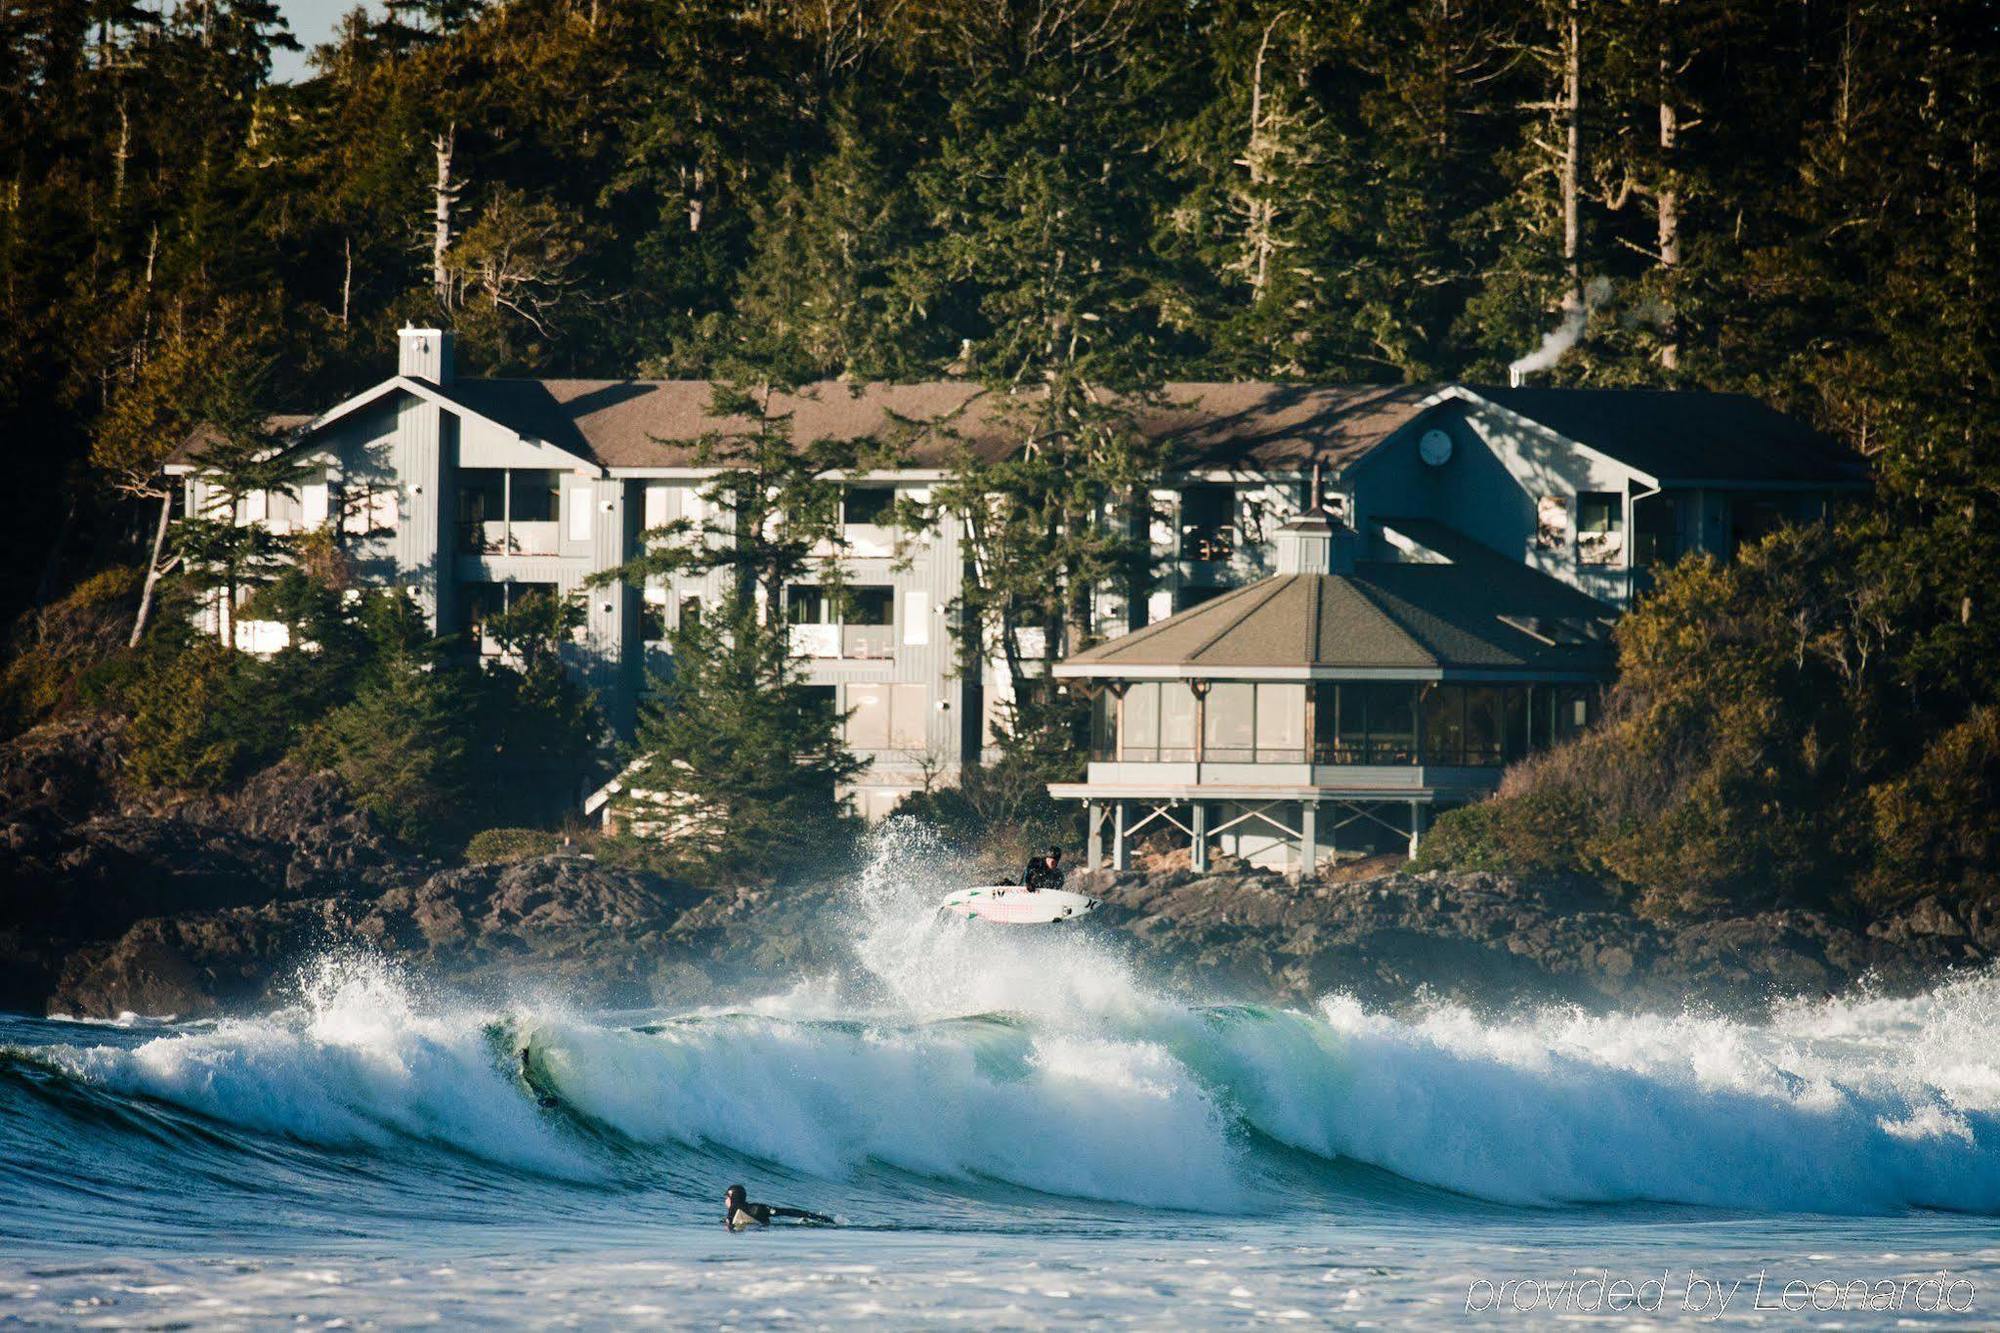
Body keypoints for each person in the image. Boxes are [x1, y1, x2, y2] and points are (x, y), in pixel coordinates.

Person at [723, 1184, 834, 1229]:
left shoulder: (734, 1208)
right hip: (760, 1214)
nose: (725, 1200)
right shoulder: (755, 1207)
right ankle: (819, 1217)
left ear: (732, 1196)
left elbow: (730, 1224)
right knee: (786, 1212)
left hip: (753, 1223)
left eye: (727, 1197)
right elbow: (788, 1212)